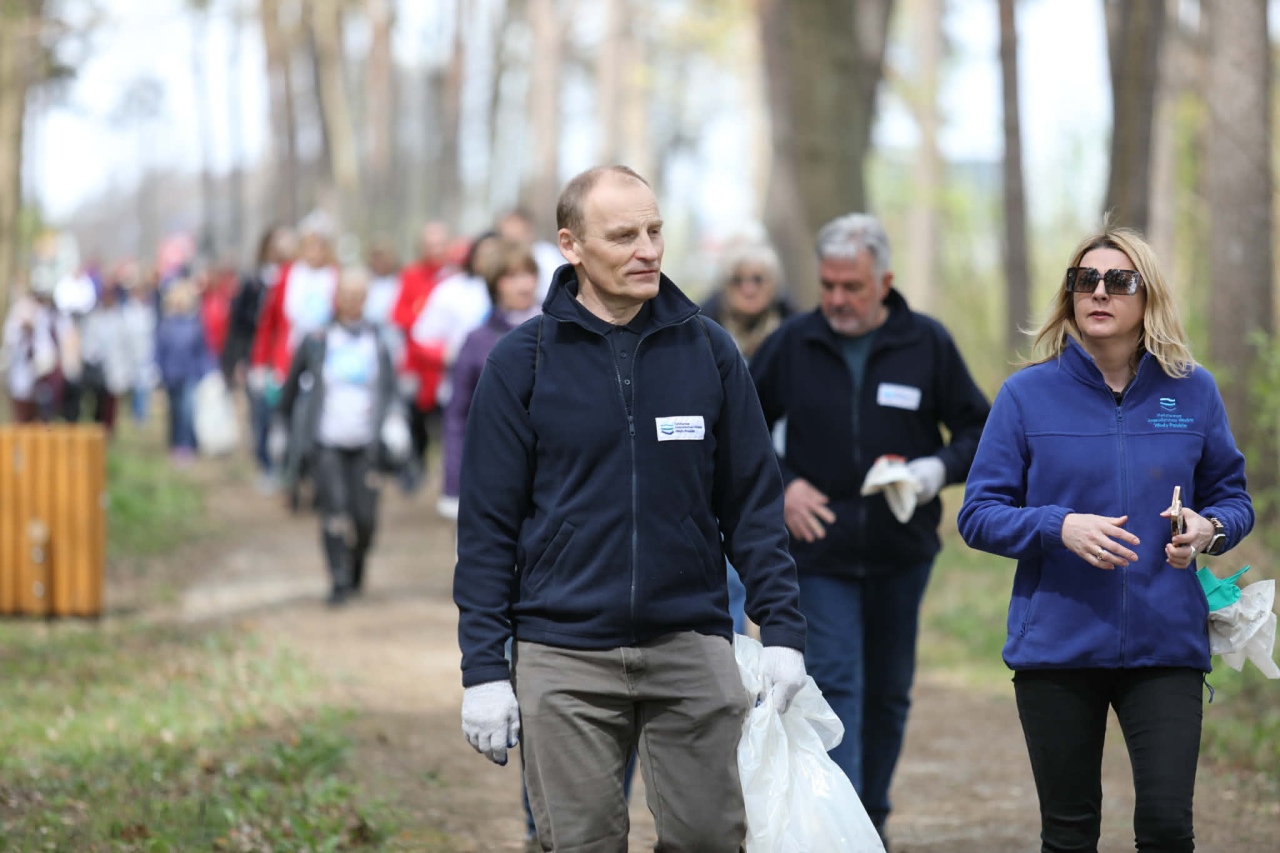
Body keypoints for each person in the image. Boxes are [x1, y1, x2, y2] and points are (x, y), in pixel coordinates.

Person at [454, 165, 808, 852]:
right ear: (571, 245)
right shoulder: (521, 362)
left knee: (711, 839)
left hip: (690, 641)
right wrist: (484, 671)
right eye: (623, 236)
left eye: (654, 231)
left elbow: (753, 503)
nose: (647, 250)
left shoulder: (709, 351)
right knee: (581, 842)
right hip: (562, 651)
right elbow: (488, 530)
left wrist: (784, 630)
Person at [957, 226, 1254, 853]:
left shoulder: (1192, 390)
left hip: (1167, 643)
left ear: (1148, 297)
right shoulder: (1025, 396)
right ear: (1069, 294)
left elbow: (1234, 499)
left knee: (1168, 828)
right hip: (1057, 648)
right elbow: (978, 513)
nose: (1099, 291)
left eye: (1119, 281)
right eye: (1084, 279)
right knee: (1069, 835)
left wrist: (1209, 528)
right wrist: (1057, 526)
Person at [749, 212, 990, 848]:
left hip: (900, 553)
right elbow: (741, 427)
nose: (837, 299)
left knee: (888, 694)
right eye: (827, 284)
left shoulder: (926, 343)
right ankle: (841, 836)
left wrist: (933, 471)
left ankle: (870, 818)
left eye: (852, 286)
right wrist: (783, 484)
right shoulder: (793, 343)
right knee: (836, 684)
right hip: (816, 552)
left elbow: (979, 429)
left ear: (884, 281)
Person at [278, 269, 398, 606]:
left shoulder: (378, 339)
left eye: (358, 295)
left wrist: (394, 425)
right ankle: (338, 579)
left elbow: (391, 389)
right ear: (336, 297)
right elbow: (290, 390)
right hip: (326, 441)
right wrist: (285, 432)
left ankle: (356, 563)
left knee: (365, 518)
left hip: (366, 443)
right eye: (345, 294)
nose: (351, 301)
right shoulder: (317, 339)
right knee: (334, 509)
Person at [701, 236, 794, 635]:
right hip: (718, 472)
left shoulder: (793, 332)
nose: (749, 288)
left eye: (759, 279)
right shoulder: (697, 332)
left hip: (784, 471)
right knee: (728, 579)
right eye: (739, 279)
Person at [408, 231, 502, 519]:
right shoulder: (451, 291)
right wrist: (451, 354)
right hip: (465, 390)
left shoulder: (520, 290)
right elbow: (421, 336)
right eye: (484, 253)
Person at [154, 279, 215, 463]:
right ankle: (175, 443)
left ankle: (187, 444)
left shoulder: (195, 324)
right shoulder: (166, 325)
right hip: (171, 375)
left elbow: (203, 351)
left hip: (190, 375)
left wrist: (209, 371)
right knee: (174, 411)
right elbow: (159, 350)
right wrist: (156, 369)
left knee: (187, 411)